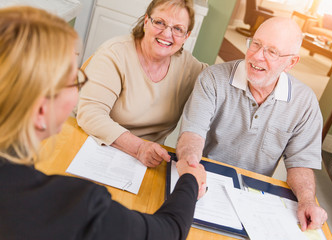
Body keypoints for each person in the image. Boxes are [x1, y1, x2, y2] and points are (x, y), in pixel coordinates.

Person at [0, 6, 207, 240]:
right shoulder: (73, 206)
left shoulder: (188, 65)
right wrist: (189, 181)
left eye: (178, 28)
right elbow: (167, 233)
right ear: (41, 110)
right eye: (74, 80)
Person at [176, 17, 328, 231]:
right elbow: (192, 134)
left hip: (252, 194)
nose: (257, 56)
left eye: (272, 52)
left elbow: (300, 163)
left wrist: (307, 201)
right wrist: (191, 164)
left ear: (291, 62)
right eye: (256, 44)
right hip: (204, 177)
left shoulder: (305, 102)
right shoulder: (213, 78)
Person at [76, 0, 207, 168]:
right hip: (92, 144)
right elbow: (90, 114)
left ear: (186, 37)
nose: (167, 34)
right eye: (160, 22)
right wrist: (139, 148)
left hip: (145, 162)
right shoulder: (115, 53)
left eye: (177, 29)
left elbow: (218, 84)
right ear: (146, 21)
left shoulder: (189, 67)